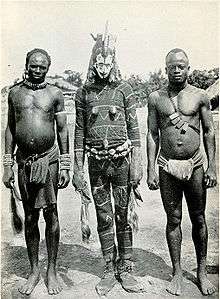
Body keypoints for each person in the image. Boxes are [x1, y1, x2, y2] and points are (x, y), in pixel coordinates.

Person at [73, 25, 144, 296]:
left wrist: (136, 165)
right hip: (96, 164)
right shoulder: (83, 93)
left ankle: (125, 267)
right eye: (98, 62)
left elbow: (135, 130)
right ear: (93, 62)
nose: (103, 67)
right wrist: (78, 169)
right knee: (104, 215)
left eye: (108, 62)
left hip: (122, 162)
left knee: (123, 213)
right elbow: (79, 132)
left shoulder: (125, 90)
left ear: (114, 62)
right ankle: (107, 267)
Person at [147, 48, 217, 296]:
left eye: (181, 66)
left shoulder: (199, 96)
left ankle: (200, 271)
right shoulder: (156, 98)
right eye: (172, 66)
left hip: (195, 164)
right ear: (165, 69)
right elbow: (152, 134)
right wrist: (150, 169)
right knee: (173, 219)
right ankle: (176, 271)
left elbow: (208, 131)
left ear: (188, 68)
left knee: (198, 218)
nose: (177, 70)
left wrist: (212, 166)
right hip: (167, 166)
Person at [2, 48, 71, 295]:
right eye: (34, 65)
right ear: (27, 64)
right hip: (24, 163)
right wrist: (7, 164)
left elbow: (62, 130)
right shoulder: (15, 93)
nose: (38, 70)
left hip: (49, 161)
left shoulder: (55, 93)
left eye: (42, 66)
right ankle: (33, 270)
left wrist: (65, 164)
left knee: (51, 214)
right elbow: (10, 128)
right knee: (30, 216)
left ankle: (51, 270)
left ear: (48, 68)